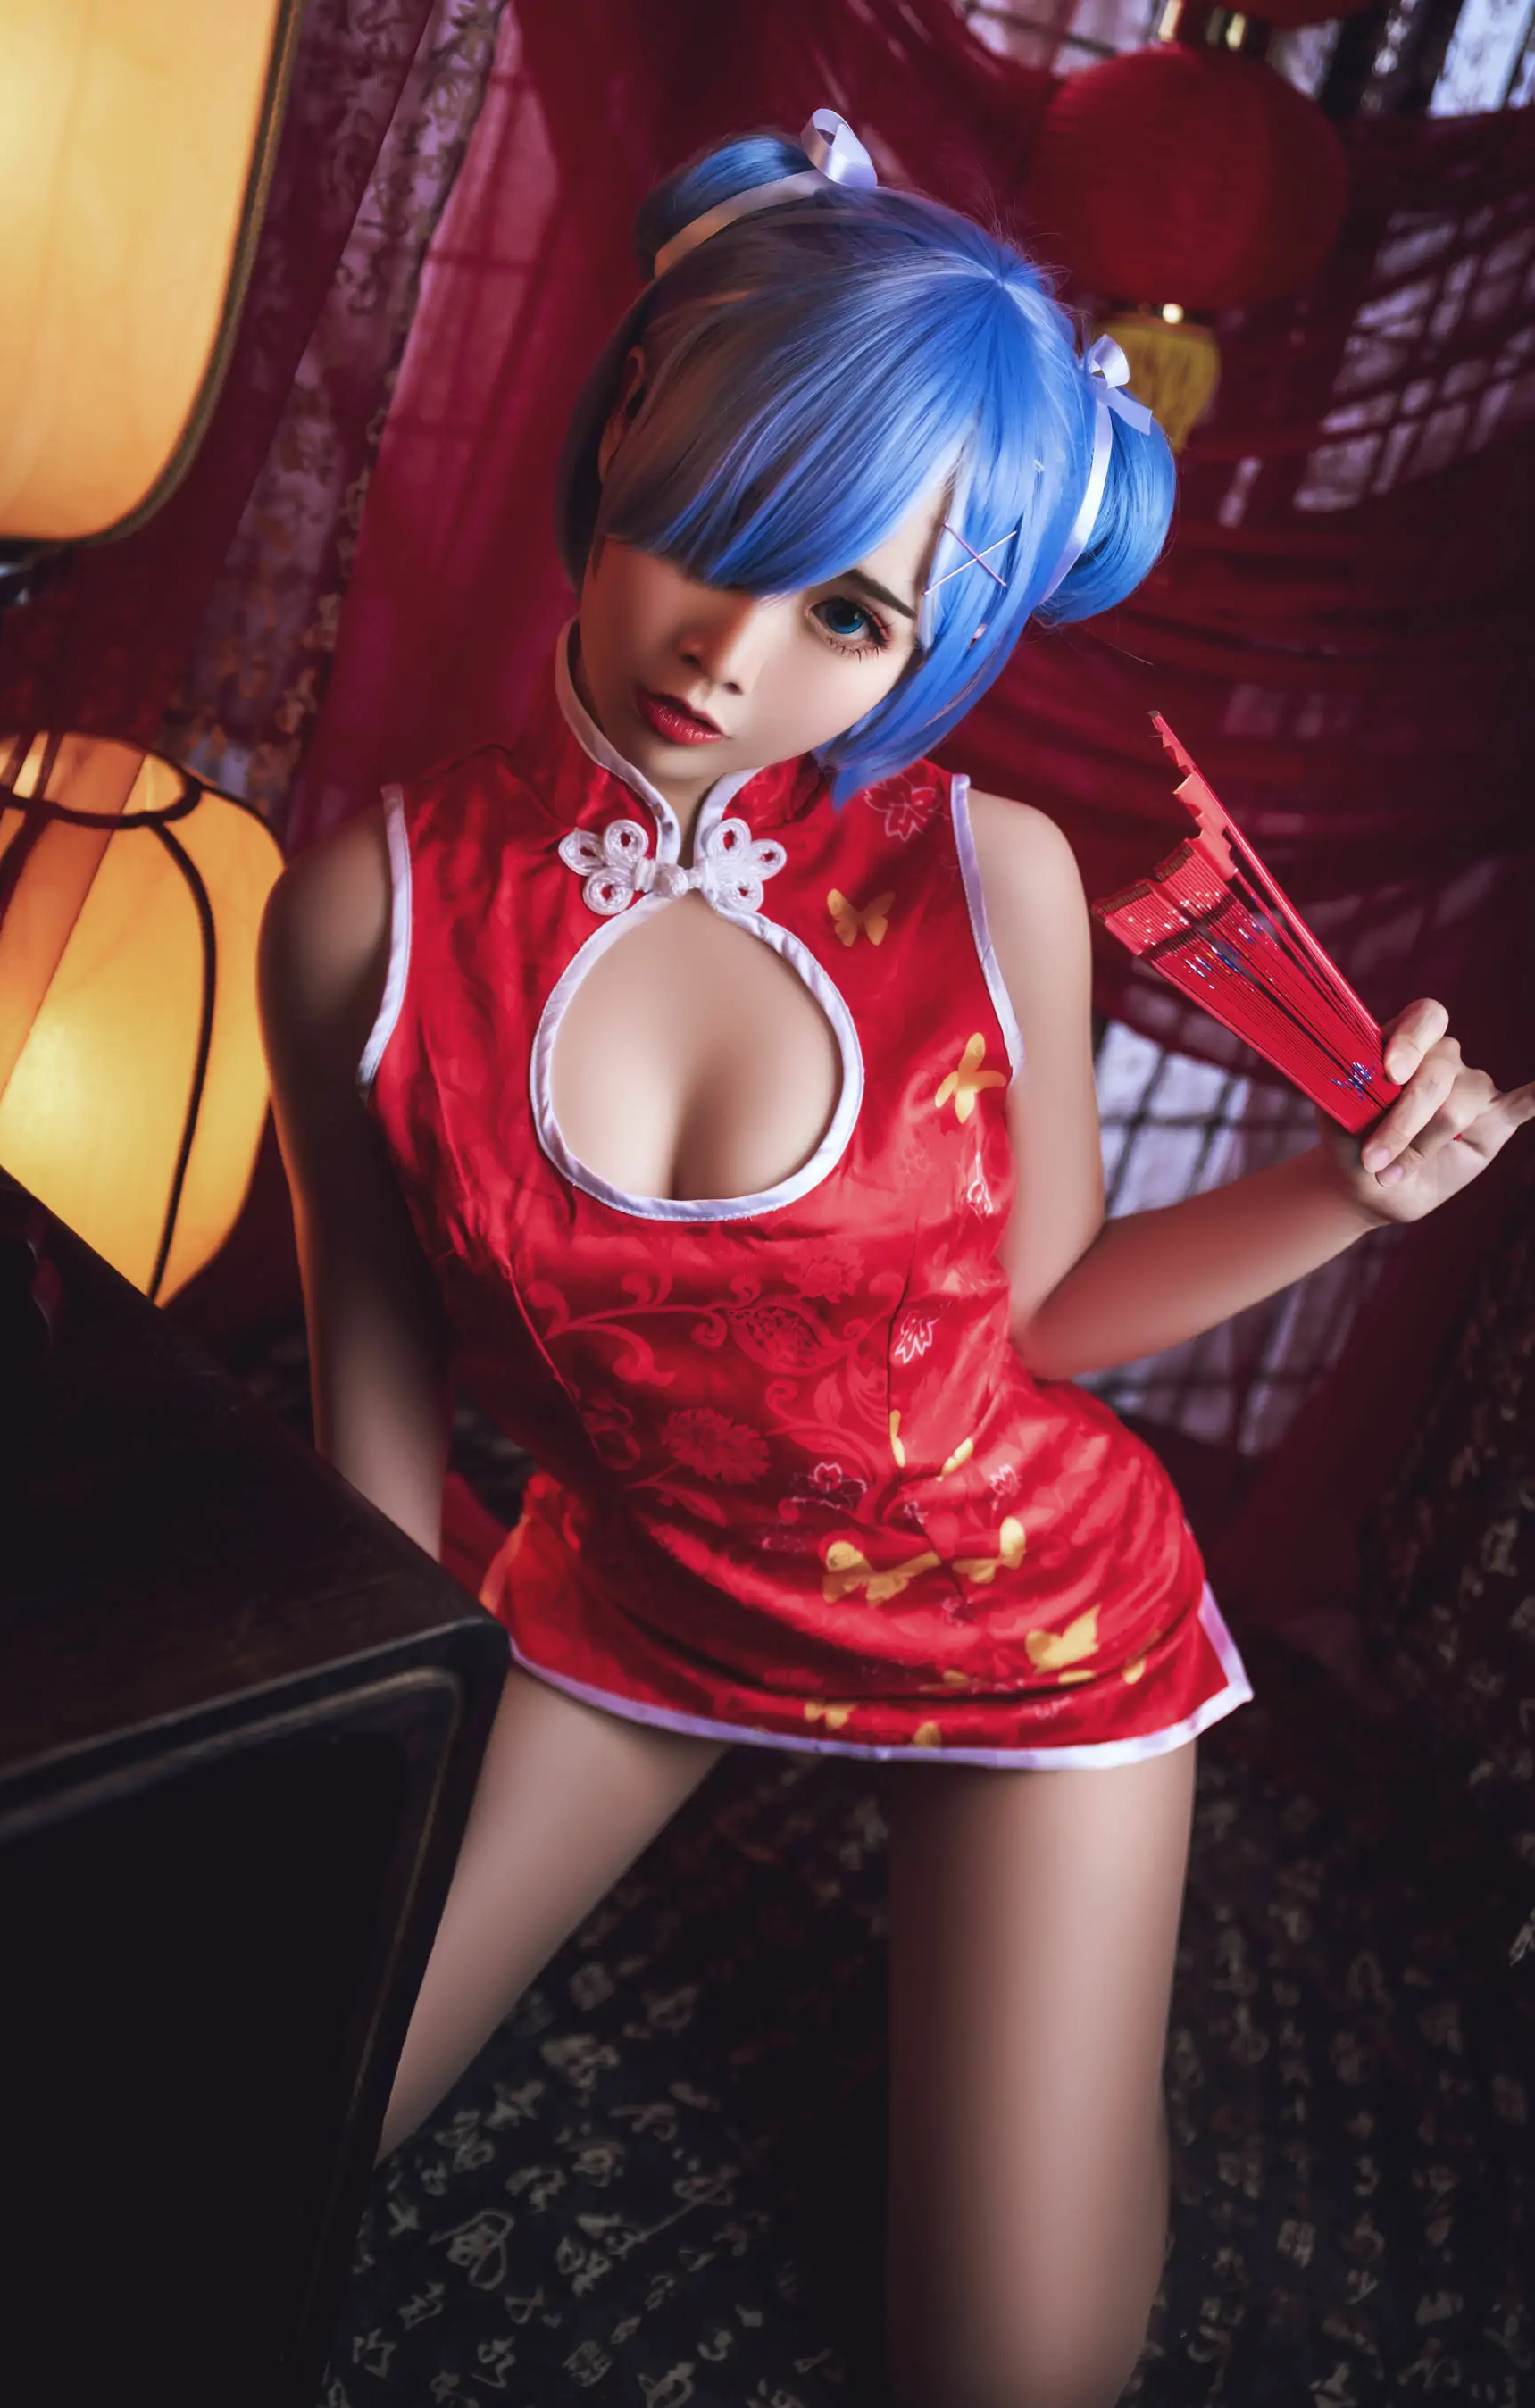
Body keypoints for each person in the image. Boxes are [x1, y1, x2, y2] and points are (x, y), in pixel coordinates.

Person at [257, 111, 1534, 2408]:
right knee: (254, 2133)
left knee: (1008, 2373)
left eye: (848, 613)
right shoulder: (373, 907)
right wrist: (320, 1788)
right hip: (630, 1595)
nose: (726, 653)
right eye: (708, 528)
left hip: (1024, 1616)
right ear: (623, 421)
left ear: (943, 641)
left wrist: (1349, 1195)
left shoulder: (988, 873)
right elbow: (371, 1418)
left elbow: (1052, 1314)